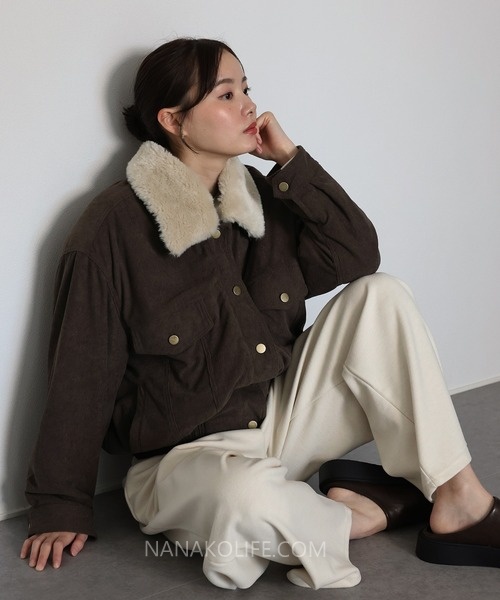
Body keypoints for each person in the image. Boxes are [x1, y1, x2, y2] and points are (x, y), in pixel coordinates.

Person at [20, 37, 499, 589]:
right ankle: (358, 514)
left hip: (279, 421)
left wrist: (291, 162)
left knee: (381, 294)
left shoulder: (261, 197)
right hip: (186, 465)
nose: (250, 105)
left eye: (247, 88)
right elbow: (80, 375)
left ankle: (460, 498)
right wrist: (59, 505)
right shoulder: (112, 229)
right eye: (226, 94)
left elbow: (356, 255)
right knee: (244, 499)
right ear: (173, 120)